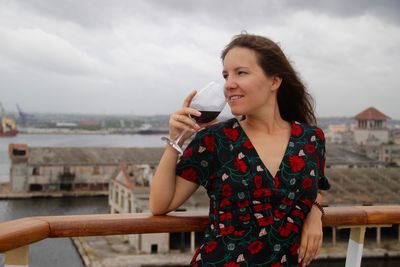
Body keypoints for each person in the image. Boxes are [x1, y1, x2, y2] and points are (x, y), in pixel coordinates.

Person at [149, 33, 330, 267]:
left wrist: (315, 214)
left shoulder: (311, 139)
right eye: (226, 75)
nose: (228, 84)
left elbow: (315, 187)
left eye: (241, 73)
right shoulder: (215, 140)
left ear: (274, 81)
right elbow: (160, 204)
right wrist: (176, 139)